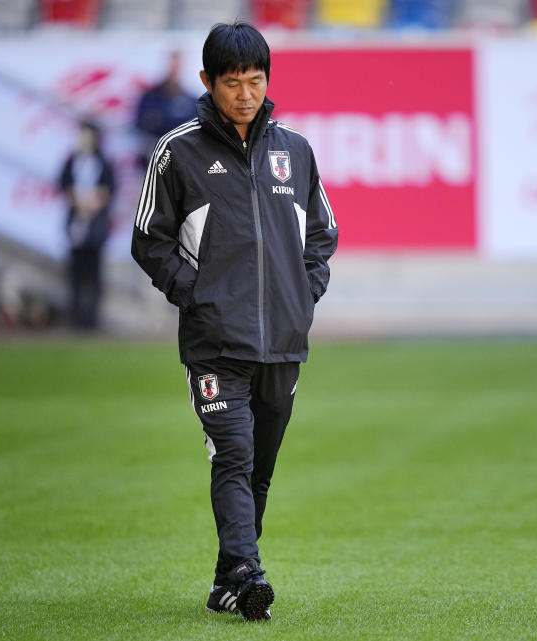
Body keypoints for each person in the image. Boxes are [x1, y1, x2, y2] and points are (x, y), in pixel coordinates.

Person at [131, 22, 338, 621]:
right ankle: (249, 573)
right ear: (207, 82)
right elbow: (149, 238)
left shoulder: (294, 150)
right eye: (231, 82)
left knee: (260, 468)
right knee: (234, 453)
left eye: (255, 81)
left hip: (283, 339)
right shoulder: (178, 151)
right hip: (214, 342)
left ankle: (228, 579)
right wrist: (193, 295)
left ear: (267, 81)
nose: (245, 94)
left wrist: (304, 293)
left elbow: (322, 233)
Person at [58, 120, 115, 330]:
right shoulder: (72, 161)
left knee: (94, 274)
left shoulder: (103, 162)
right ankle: (76, 317)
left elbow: (109, 188)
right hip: (76, 224)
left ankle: (92, 319)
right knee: (76, 273)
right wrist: (77, 202)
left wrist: (93, 203)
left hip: (95, 226)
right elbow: (64, 185)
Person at [134, 51, 198, 165]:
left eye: (178, 66)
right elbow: (140, 126)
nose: (174, 70)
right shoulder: (149, 98)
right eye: (172, 65)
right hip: (152, 156)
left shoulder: (191, 101)